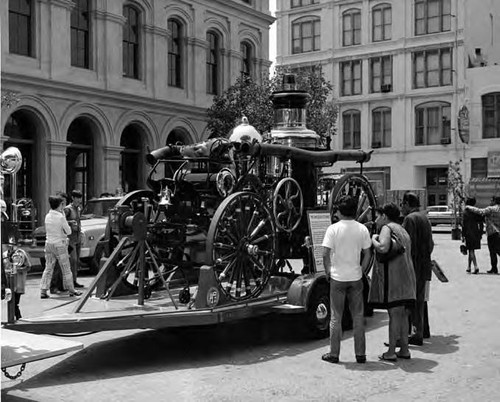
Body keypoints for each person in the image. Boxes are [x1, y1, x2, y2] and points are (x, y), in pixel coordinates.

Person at [321, 195, 372, 364]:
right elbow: (368, 254)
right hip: (355, 277)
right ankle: (360, 354)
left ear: (340, 211)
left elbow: (325, 253)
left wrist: (328, 271)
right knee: (358, 316)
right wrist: (362, 270)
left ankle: (334, 354)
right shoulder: (362, 229)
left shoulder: (333, 229)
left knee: (336, 316)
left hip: (337, 278)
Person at [369, 203, 416, 361]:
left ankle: (390, 352)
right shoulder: (402, 230)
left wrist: (373, 239)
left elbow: (383, 247)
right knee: (402, 315)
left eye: (377, 216)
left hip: (394, 279)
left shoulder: (387, 228)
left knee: (394, 315)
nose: (376, 219)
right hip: (407, 279)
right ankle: (404, 349)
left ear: (384, 216)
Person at [401, 192, 434, 346]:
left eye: (403, 204)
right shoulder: (424, 218)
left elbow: (406, 244)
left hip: (413, 265)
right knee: (421, 299)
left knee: (409, 301)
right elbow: (430, 244)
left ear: (407, 203)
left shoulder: (409, 219)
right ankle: (422, 330)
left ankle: (413, 333)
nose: (402, 208)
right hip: (424, 264)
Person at [40, 195, 81, 298]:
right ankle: (71, 289)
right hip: (60, 245)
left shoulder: (47, 216)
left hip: (49, 244)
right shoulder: (60, 217)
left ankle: (43, 291)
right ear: (59, 205)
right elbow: (68, 231)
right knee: (66, 268)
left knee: (48, 268)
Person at [465, 196, 500, 274]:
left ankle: (494, 268)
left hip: (492, 233)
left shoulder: (491, 209)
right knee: (495, 251)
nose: (490, 202)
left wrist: (469, 207)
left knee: (493, 251)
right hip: (498, 233)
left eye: (491, 200)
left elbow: (480, 211)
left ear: (495, 201)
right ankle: (494, 268)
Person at [64, 190, 84, 288]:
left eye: (80, 198)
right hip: (70, 238)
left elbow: (79, 221)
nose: (79, 200)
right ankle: (69, 282)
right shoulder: (68, 209)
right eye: (77, 198)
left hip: (77, 237)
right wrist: (70, 223)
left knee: (77, 261)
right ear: (73, 198)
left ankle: (74, 280)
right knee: (73, 260)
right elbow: (63, 222)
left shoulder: (79, 209)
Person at [461, 197, 484, 274]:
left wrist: (462, 235)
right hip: (476, 232)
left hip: (468, 233)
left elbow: (464, 225)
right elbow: (481, 222)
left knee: (471, 250)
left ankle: (476, 266)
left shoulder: (466, 212)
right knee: (471, 250)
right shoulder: (476, 212)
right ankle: (469, 267)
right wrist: (480, 233)